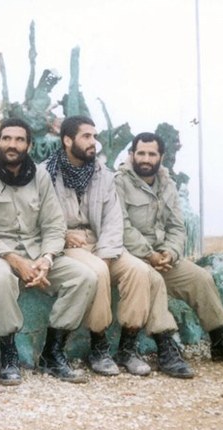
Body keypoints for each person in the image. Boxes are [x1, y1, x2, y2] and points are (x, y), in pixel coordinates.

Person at [42, 116, 194, 378]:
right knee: (99, 271)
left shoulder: (102, 174)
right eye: (86, 136)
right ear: (67, 140)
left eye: (94, 136)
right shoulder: (44, 173)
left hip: (101, 242)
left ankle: (127, 348)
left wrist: (107, 253)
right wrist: (64, 234)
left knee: (140, 271)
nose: (93, 142)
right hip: (65, 244)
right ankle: (98, 347)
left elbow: (114, 220)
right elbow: (38, 217)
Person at [0, 118, 97, 386]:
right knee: (1, 279)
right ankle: (8, 352)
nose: (12, 145)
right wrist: (15, 260)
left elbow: (54, 225)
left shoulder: (40, 176)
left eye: (19, 139)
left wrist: (47, 259)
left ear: (29, 145)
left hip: (37, 251)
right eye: (6, 139)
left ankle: (53, 351)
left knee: (84, 277)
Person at [115, 132, 223, 366]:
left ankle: (220, 342)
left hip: (162, 257)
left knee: (200, 278)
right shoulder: (119, 182)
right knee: (153, 280)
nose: (146, 159)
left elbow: (177, 227)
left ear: (161, 157)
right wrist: (149, 254)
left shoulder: (168, 185)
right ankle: (165, 348)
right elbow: (121, 226)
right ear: (131, 154)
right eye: (141, 153)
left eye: (152, 154)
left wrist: (170, 253)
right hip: (132, 256)